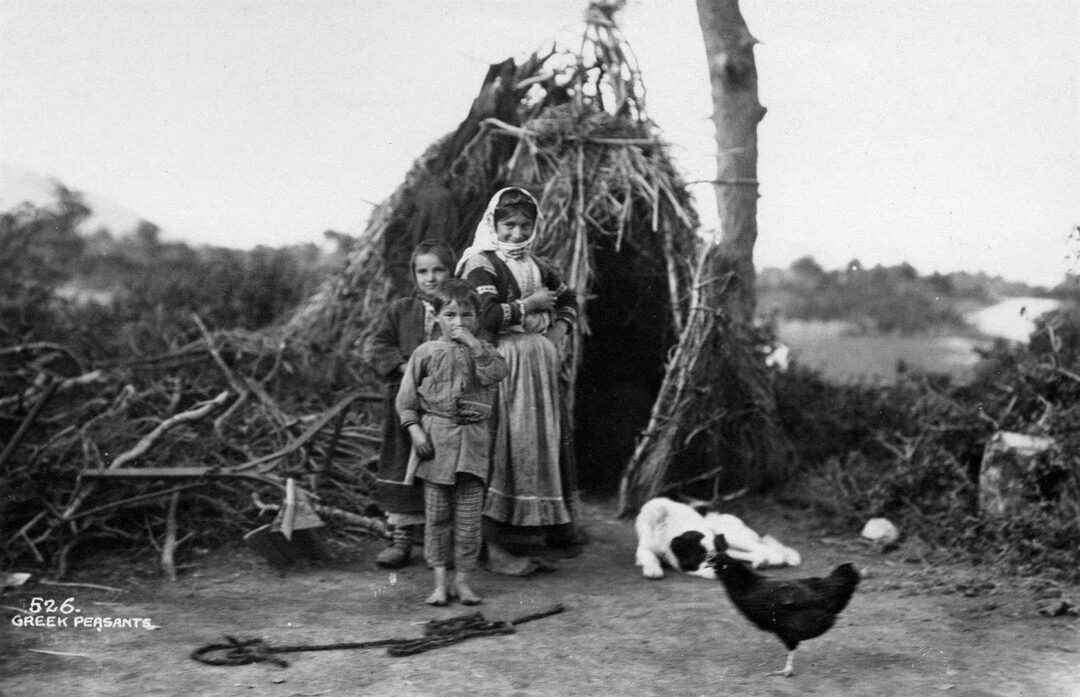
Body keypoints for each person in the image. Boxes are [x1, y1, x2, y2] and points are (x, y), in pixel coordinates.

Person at [457, 187, 582, 575]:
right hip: (501, 366)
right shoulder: (482, 263)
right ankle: (495, 549)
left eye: (524, 225)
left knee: (533, 448)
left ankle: (525, 541)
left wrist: (557, 334)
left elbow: (569, 299)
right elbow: (486, 316)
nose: (515, 233)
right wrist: (528, 306)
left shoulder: (538, 265)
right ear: (494, 224)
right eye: (508, 225)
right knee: (503, 449)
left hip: (537, 369)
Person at [395, 279, 508, 605]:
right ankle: (440, 583)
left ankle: (464, 581)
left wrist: (474, 344)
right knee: (438, 516)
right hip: (436, 442)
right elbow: (406, 400)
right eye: (451, 314)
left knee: (470, 519)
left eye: (467, 315)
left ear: (476, 317)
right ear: (436, 317)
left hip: (473, 443)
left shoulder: (485, 352)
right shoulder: (425, 352)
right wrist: (415, 431)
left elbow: (496, 374)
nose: (458, 322)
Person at [363, 240, 456, 568]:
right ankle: (401, 540)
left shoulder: (459, 308)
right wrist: (406, 367)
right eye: (423, 271)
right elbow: (379, 345)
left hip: (446, 404)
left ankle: (438, 543)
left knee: (440, 468)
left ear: (451, 270)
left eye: (438, 270)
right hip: (406, 400)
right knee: (402, 464)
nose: (430, 278)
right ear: (414, 275)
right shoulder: (401, 309)